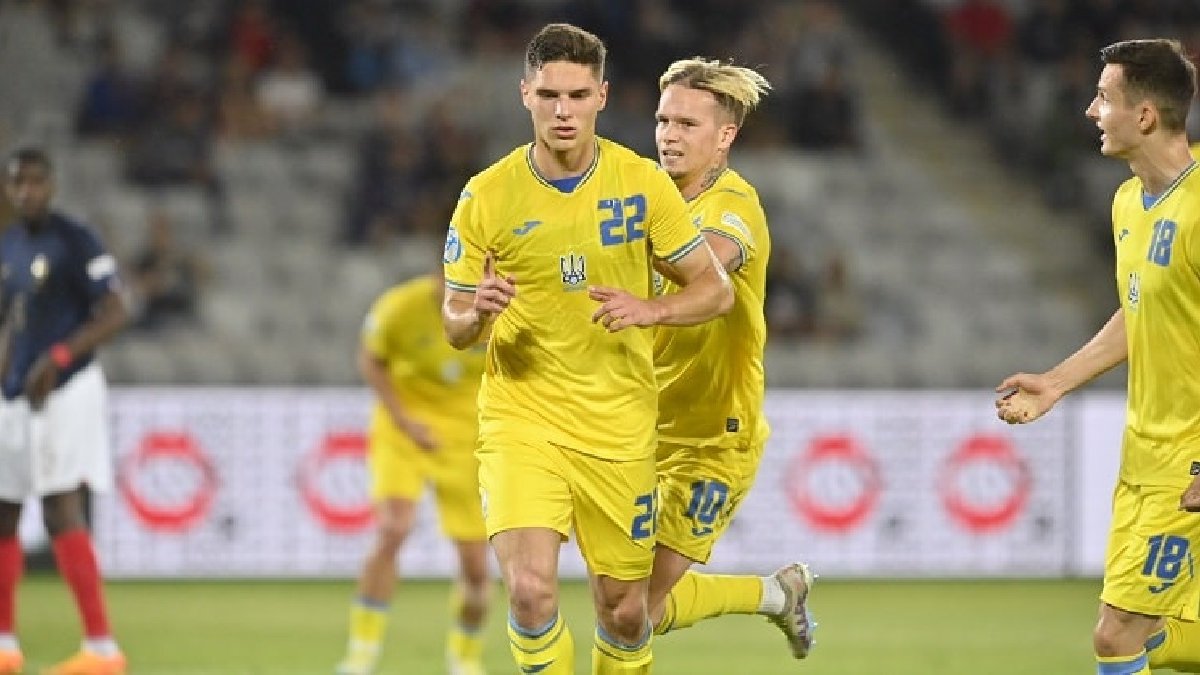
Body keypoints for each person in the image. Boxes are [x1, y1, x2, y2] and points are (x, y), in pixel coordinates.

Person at [441, 23, 733, 675]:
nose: (563, 111)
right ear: (525, 94)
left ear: (602, 95)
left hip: (618, 427)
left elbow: (715, 291)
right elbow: (453, 323)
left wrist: (653, 309)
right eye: (549, 95)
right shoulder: (486, 195)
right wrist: (476, 311)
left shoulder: (643, 184)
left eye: (577, 95)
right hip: (523, 420)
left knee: (625, 610)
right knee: (529, 590)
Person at [995, 39, 1200, 675]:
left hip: (1188, 461)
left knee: (1118, 636)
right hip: (1145, 457)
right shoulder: (1127, 203)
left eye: (1104, 98)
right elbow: (1140, 312)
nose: (1090, 111)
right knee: (1158, 635)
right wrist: (1057, 382)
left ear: (1146, 116)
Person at [644, 57, 815, 657]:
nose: (669, 135)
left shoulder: (732, 202)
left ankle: (772, 595)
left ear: (725, 137)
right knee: (622, 603)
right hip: (638, 426)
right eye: (664, 120)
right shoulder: (646, 195)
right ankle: (775, 594)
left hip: (714, 436)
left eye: (687, 124)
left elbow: (709, 264)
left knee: (634, 611)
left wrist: (620, 241)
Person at [0, 147, 130, 675]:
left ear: (52, 185)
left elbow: (116, 311)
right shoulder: (9, 246)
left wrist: (60, 357)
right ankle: (4, 643)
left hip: (67, 389)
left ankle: (102, 647)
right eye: (17, 183)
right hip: (16, 392)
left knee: (60, 506)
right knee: (3, 512)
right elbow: (13, 324)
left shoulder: (76, 240)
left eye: (35, 182)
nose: (26, 191)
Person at [335, 267, 491, 675]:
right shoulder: (398, 307)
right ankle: (361, 654)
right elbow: (371, 359)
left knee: (476, 567)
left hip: (468, 440)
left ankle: (465, 658)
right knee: (393, 528)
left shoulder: (498, 310)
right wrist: (404, 421)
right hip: (405, 430)